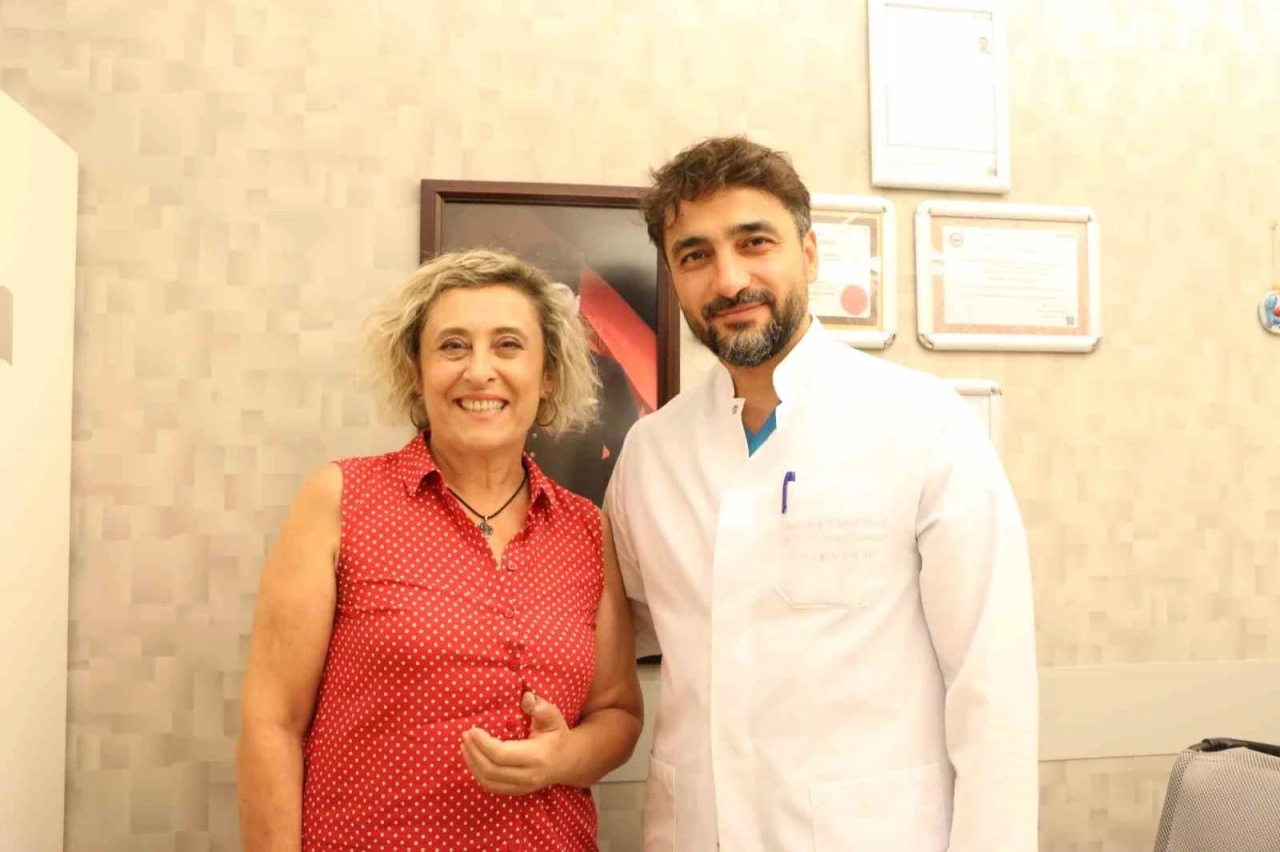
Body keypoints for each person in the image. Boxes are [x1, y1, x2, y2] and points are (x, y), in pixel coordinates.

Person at [604, 136, 1039, 850]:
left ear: (808, 254)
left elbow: (992, 687)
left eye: (755, 242)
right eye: (696, 255)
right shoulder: (651, 454)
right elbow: (625, 630)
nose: (729, 280)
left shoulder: (924, 424)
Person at [236, 248, 644, 851]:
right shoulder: (341, 499)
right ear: (416, 371)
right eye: (453, 346)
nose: (479, 371)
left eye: (508, 345)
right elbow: (272, 723)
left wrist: (564, 756)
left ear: (548, 375)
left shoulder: (584, 527)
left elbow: (618, 713)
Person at [520, 241, 641, 505]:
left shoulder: (605, 373)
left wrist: (589, 498)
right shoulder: (508, 369)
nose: (551, 313)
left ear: (576, 304)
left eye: (559, 297)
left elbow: (627, 452)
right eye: (541, 300)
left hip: (578, 511)